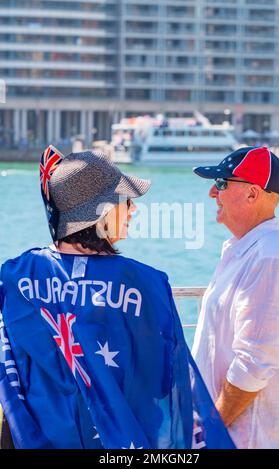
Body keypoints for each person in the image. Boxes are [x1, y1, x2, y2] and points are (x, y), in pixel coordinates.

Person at [0, 146, 234, 449]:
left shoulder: (17, 275)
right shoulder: (146, 284)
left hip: (38, 438)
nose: (133, 210)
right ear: (102, 212)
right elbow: (163, 381)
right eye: (125, 201)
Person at [192, 146, 279, 449]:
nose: (213, 192)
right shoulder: (250, 251)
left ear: (253, 194)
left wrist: (208, 430)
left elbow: (254, 365)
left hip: (248, 439)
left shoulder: (269, 259)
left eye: (222, 184)